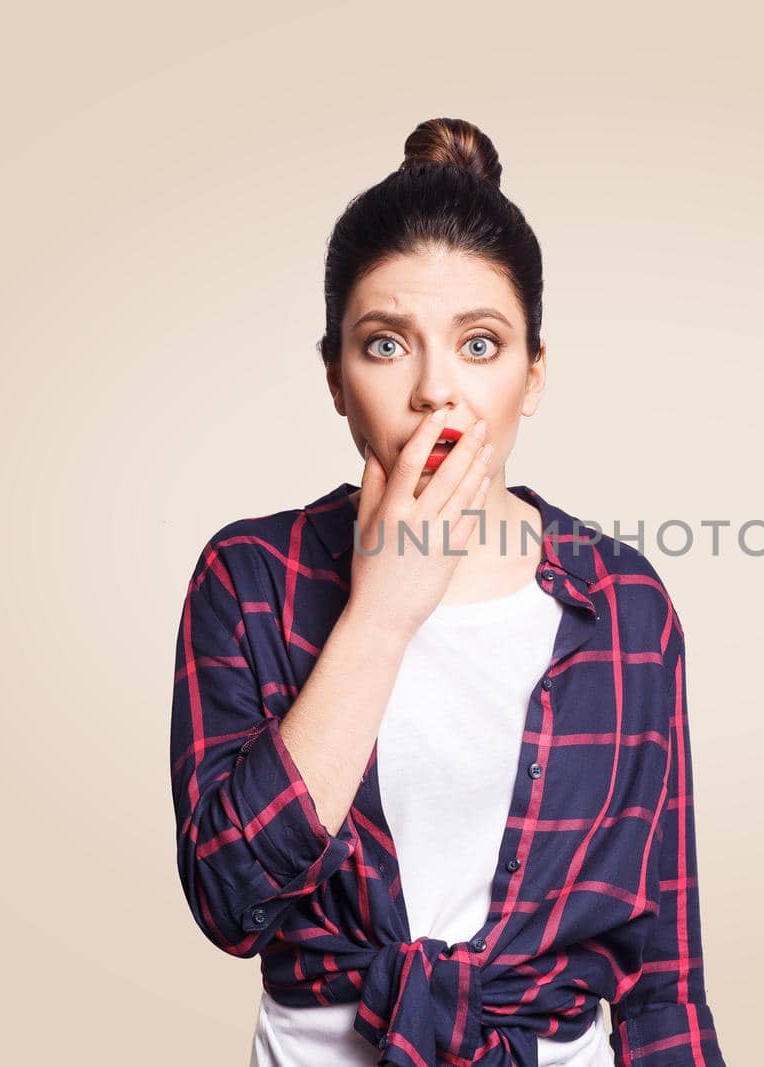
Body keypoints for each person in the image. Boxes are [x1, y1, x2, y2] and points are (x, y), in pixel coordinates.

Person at [169, 117, 727, 1067]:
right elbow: (231, 902)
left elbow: (661, 970)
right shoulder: (250, 578)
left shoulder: (625, 604)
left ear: (533, 375)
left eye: (480, 344)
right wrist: (381, 613)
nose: (437, 391)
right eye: (387, 345)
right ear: (337, 381)